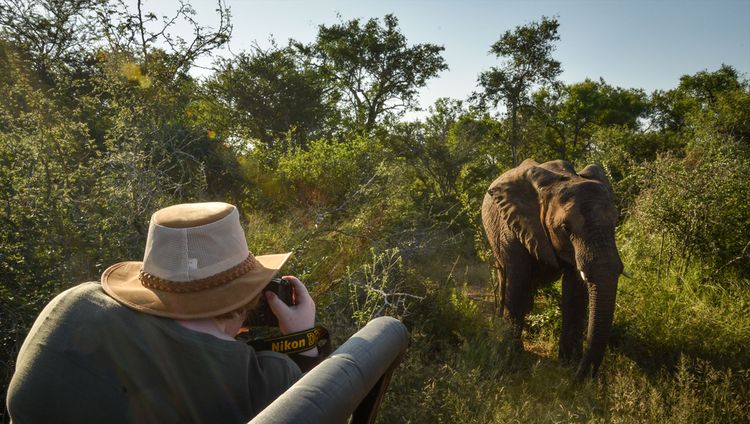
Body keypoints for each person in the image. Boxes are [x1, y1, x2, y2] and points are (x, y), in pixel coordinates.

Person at [7, 202, 320, 422]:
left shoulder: (71, 306)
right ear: (246, 298)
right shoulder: (261, 380)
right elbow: (320, 404)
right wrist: (304, 341)